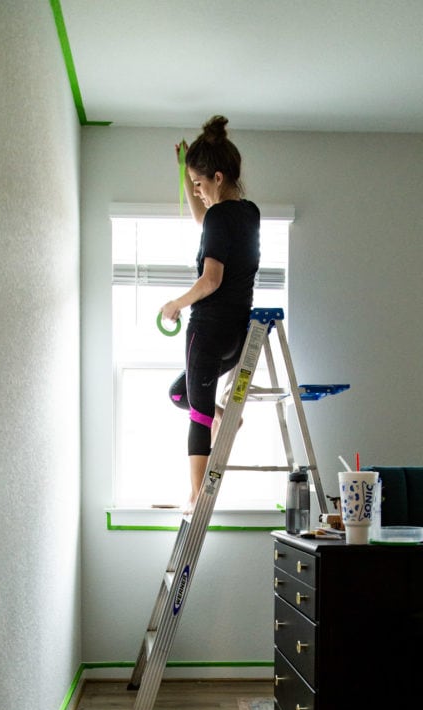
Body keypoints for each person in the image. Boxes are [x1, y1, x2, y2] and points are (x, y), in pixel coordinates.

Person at [160, 115, 260, 512]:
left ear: (218, 177)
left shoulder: (221, 217)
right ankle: (227, 417)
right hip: (237, 337)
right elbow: (206, 219)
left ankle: (197, 497)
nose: (197, 192)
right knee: (179, 394)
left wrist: (175, 304)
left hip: (208, 328)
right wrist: (186, 174)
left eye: (201, 184)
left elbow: (211, 280)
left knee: (198, 415)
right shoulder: (247, 213)